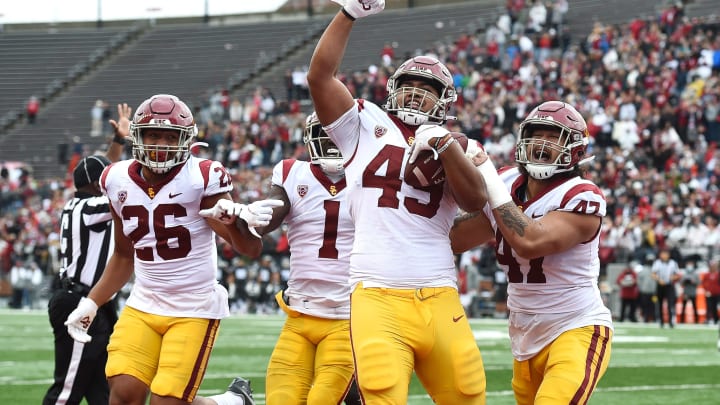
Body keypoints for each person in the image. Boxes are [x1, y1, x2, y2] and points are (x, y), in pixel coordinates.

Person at [306, 2, 488, 403]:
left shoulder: (459, 144)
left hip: (438, 288)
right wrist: (349, 13)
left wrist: (445, 147)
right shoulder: (363, 123)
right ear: (393, 88)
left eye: (428, 90)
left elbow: (476, 200)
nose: (418, 95)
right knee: (383, 392)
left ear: (444, 101)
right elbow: (319, 77)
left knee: (467, 392)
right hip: (376, 289)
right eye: (411, 85)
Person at [63, 94, 283, 405]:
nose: (162, 144)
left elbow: (250, 249)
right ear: (138, 136)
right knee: (123, 395)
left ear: (186, 141)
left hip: (193, 306)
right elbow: (125, 254)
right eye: (154, 134)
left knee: (167, 402)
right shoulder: (115, 179)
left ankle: (231, 402)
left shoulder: (201, 176)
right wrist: (91, 303)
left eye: (171, 136)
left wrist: (236, 222)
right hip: (144, 302)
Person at [449, 100, 613, 405]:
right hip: (524, 337)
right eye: (536, 133)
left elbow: (530, 241)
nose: (541, 143)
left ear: (575, 149)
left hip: (575, 327)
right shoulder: (508, 181)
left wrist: (486, 173)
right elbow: (455, 239)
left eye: (553, 137)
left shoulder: (582, 194)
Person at [258, 112, 359, 405]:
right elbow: (267, 219)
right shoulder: (292, 173)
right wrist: (246, 215)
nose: (332, 143)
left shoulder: (370, 175)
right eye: (325, 135)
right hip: (300, 312)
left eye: (339, 136)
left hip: (349, 313)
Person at [43, 103, 131, 405]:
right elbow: (120, 191)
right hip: (80, 303)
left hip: (92, 305)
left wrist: (119, 141)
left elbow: (105, 176)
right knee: (67, 392)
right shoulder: (92, 209)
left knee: (100, 393)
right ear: (97, 185)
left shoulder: (79, 203)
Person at [651, 247, 681, 328]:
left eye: (666, 254)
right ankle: (661, 321)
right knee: (659, 304)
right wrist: (659, 279)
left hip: (669, 285)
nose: (664, 256)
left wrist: (672, 277)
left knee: (670, 304)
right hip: (660, 285)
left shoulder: (673, 263)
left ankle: (671, 321)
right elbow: (653, 274)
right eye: (663, 254)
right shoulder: (657, 263)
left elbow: (677, 274)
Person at [701, 258, 720, 325]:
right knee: (710, 307)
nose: (713, 267)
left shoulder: (718, 274)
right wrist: (706, 290)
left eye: (714, 266)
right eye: (712, 266)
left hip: (717, 294)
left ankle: (716, 319)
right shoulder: (707, 275)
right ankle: (709, 319)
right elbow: (703, 283)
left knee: (717, 307)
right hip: (709, 294)